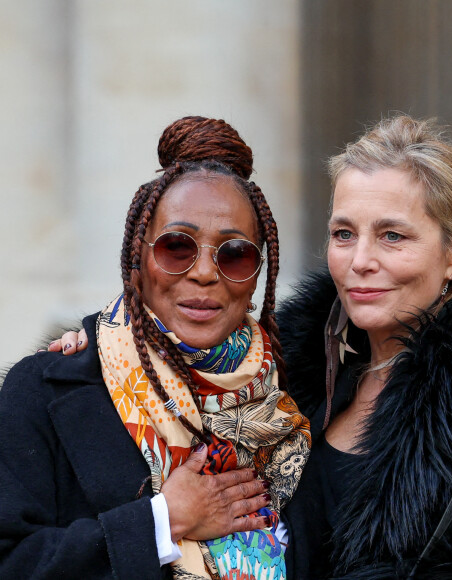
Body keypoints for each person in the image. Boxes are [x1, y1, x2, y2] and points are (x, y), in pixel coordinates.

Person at [48, 115, 452, 579]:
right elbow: (182, 365)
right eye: (344, 233)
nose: (360, 260)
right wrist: (99, 350)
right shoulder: (289, 373)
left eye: (393, 236)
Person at [0, 116, 310, 579]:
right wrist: (162, 521)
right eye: (177, 247)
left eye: (234, 254)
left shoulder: (296, 396)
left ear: (256, 277)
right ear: (138, 262)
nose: (205, 272)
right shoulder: (47, 388)